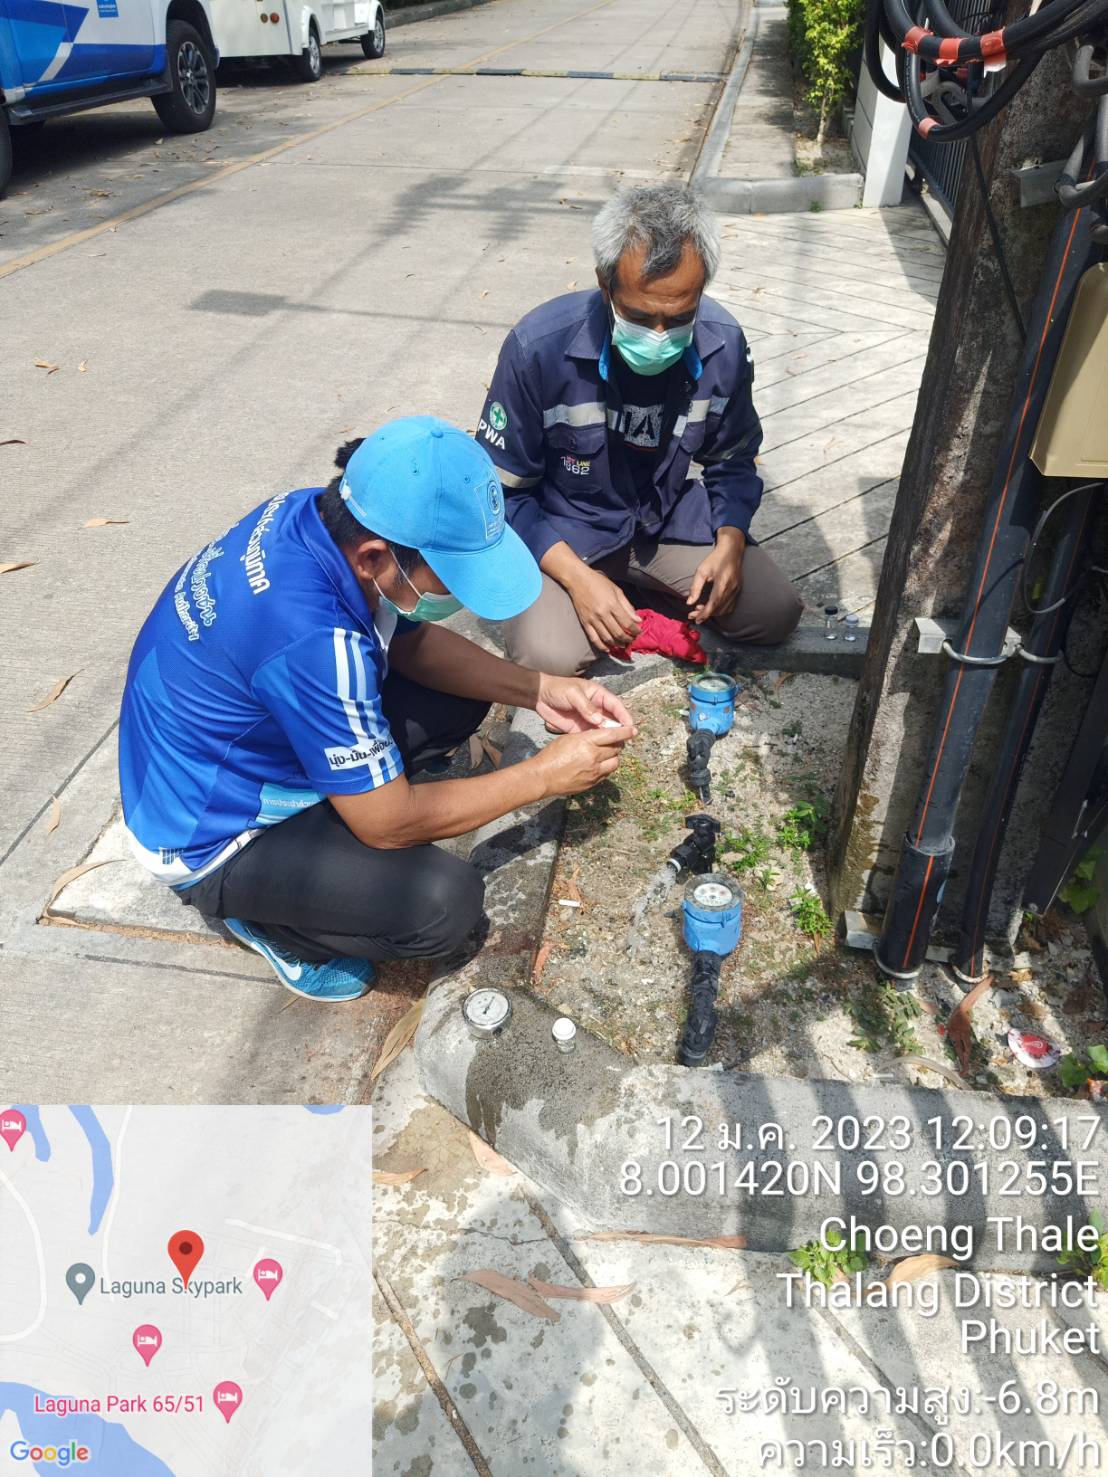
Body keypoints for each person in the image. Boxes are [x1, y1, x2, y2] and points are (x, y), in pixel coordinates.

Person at [118, 417, 635, 1002]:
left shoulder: (317, 515)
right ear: (372, 558)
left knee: (458, 697)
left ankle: (340, 807)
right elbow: (388, 824)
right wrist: (544, 775)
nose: (464, 595)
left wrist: (540, 689)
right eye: (454, 574)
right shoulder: (315, 641)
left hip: (243, 742)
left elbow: (408, 638)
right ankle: (279, 926)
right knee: (443, 907)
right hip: (213, 831)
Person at [475, 182, 804, 676]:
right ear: (605, 285)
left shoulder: (724, 344)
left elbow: (734, 460)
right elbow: (502, 494)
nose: (659, 336)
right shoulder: (537, 348)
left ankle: (633, 597)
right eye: (639, 315)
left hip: (665, 521)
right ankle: (605, 595)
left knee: (773, 613)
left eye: (679, 317)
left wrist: (731, 542)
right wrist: (578, 580)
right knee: (550, 656)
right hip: (567, 530)